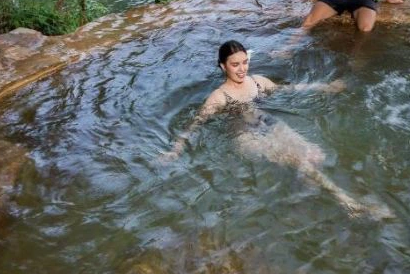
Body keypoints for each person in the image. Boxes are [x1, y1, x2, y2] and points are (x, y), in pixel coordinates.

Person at [160, 40, 390, 219]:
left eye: (244, 62)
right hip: (244, 135)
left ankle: (306, 191)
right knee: (299, 161)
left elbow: (289, 89)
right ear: (223, 66)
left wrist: (324, 87)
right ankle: (347, 201)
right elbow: (195, 124)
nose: (241, 69)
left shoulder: (258, 82)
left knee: (314, 154)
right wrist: (176, 149)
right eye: (234, 64)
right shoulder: (219, 97)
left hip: (267, 124)